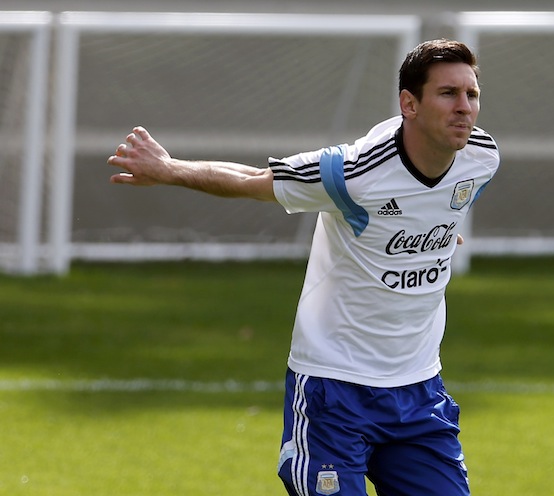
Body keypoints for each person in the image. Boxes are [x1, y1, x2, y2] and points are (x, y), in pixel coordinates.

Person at [107, 39, 500, 496]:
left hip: (418, 390)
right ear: (408, 104)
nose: (464, 108)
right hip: (334, 389)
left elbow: (440, 205)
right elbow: (253, 181)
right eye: (448, 93)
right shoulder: (353, 172)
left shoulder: (481, 157)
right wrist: (169, 168)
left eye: (471, 95)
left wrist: (434, 229)